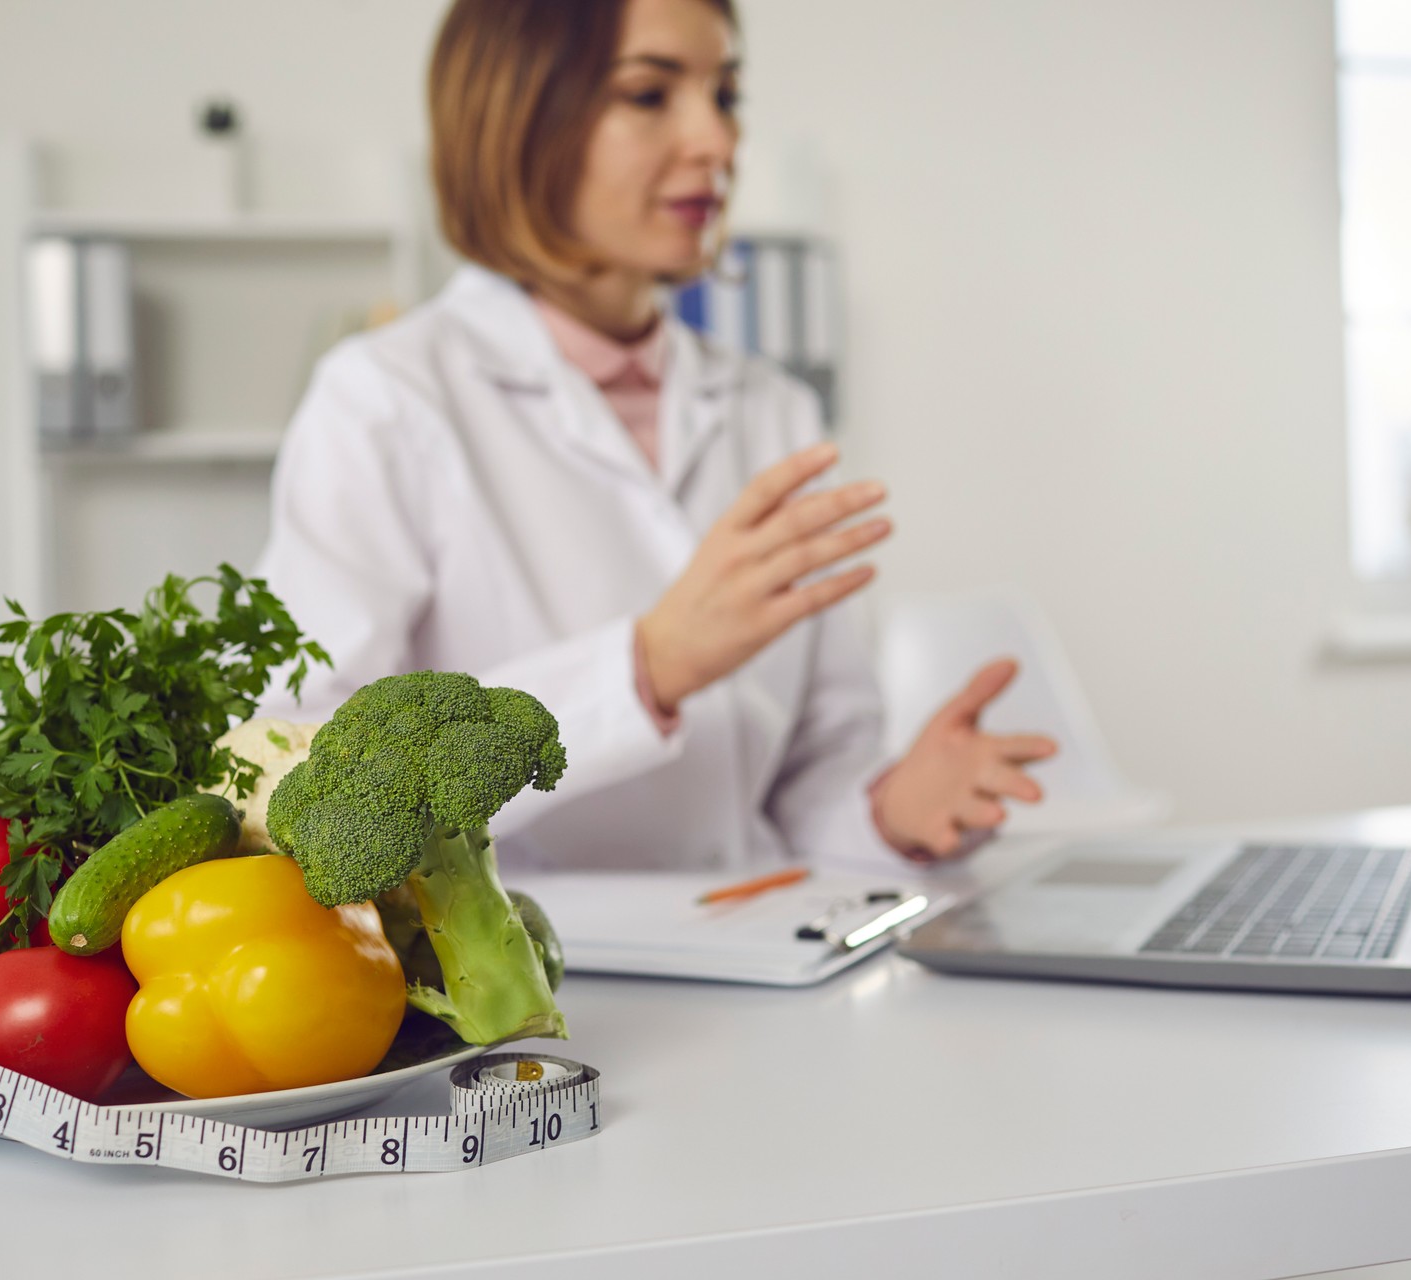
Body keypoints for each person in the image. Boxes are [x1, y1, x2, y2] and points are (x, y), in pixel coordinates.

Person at [254, 0, 1058, 873]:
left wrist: (892, 813)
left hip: (757, 952)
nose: (716, 142)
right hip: (532, 984)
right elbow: (309, 773)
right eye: (649, 95)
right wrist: (644, 668)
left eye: (727, 95)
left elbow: (808, 783)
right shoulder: (384, 399)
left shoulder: (770, 408)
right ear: (516, 119)